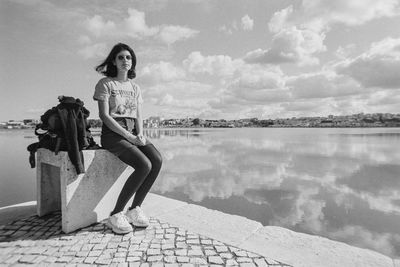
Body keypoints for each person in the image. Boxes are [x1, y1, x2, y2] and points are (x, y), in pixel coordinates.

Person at [93, 43, 162, 234]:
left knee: (156, 160)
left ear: (133, 63)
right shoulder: (106, 84)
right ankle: (115, 214)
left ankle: (134, 209)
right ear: (114, 61)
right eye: (121, 57)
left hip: (133, 130)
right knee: (144, 165)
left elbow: (139, 114)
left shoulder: (135, 87)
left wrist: (140, 133)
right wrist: (128, 136)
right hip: (113, 134)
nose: (125, 61)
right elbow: (105, 116)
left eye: (129, 58)